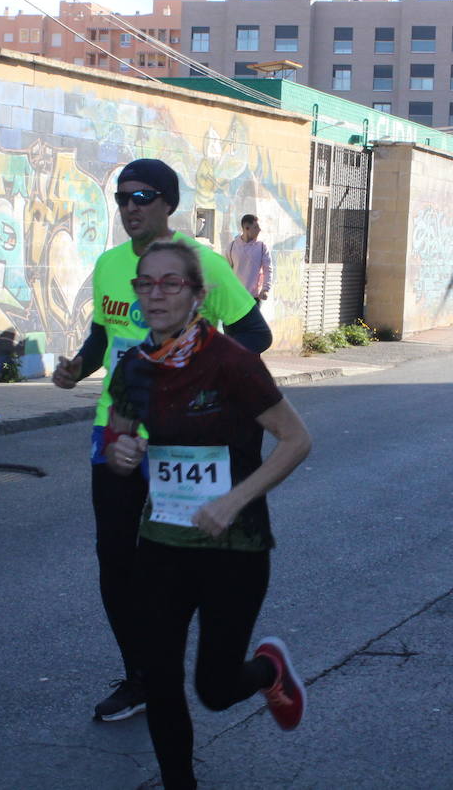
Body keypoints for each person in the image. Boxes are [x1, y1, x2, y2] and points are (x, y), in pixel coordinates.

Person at [52, 158, 272, 723]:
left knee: (182, 562)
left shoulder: (203, 266)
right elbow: (103, 337)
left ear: (168, 203)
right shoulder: (107, 267)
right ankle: (142, 676)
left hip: (183, 435)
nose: (130, 207)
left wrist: (207, 377)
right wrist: (77, 366)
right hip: (117, 427)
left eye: (143, 196)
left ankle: (212, 667)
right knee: (113, 557)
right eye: (122, 197)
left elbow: (255, 333)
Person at [106, 241, 310, 789]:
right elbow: (120, 442)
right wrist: (123, 455)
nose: (156, 294)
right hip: (163, 544)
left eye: (171, 283)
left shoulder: (232, 364)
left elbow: (296, 440)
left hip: (234, 548)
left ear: (198, 295)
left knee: (215, 691)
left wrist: (232, 501)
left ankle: (269, 670)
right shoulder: (133, 367)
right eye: (145, 283)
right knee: (161, 678)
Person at [227, 213, 273, 302]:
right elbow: (225, 270)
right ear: (246, 228)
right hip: (236, 297)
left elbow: (268, 269)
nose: (259, 230)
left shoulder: (262, 246)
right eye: (256, 227)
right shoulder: (232, 247)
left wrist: (265, 289)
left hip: (254, 297)